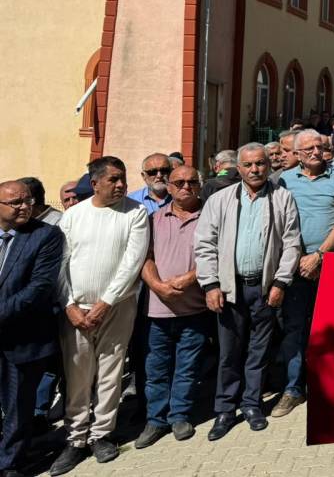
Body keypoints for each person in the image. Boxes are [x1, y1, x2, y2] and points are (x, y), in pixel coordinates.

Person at [194, 143, 301, 440]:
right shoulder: (220, 200)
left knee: (259, 351)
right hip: (230, 288)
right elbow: (204, 244)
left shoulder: (282, 198)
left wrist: (280, 283)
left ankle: (251, 404)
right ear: (238, 168)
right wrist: (211, 284)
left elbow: (291, 243)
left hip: (264, 288)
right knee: (229, 352)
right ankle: (225, 410)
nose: (255, 170)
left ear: (268, 165)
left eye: (260, 164)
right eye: (249, 165)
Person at [52, 157, 148, 474]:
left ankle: (102, 434)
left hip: (117, 307)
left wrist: (106, 302)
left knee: (111, 370)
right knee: (77, 375)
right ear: (94, 184)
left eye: (123, 178)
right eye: (113, 179)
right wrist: (69, 305)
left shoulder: (135, 212)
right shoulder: (73, 216)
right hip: (76, 310)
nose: (121, 185)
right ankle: (75, 438)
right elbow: (59, 264)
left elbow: (132, 262)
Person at [136, 166, 210, 448]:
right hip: (157, 309)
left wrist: (189, 278)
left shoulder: (210, 217)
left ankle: (180, 415)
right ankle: (155, 420)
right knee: (156, 369)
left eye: (192, 182)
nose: (186, 187)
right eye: (179, 182)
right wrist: (157, 285)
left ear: (200, 186)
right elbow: (144, 256)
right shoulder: (153, 219)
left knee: (187, 368)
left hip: (194, 308)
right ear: (168, 186)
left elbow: (217, 254)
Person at [272, 130, 334, 418]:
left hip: (330, 263)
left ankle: (328, 385)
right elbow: (279, 221)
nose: (315, 152)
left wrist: (319, 255)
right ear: (297, 154)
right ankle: (293, 388)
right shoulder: (285, 180)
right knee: (295, 328)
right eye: (308, 149)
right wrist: (300, 258)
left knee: (330, 329)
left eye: (319, 147)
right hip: (295, 265)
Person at [0, 181, 64, 477]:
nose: (24, 206)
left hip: (23, 336)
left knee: (18, 404)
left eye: (27, 201)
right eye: (15, 202)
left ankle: (10, 463)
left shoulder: (46, 235)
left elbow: (38, 288)